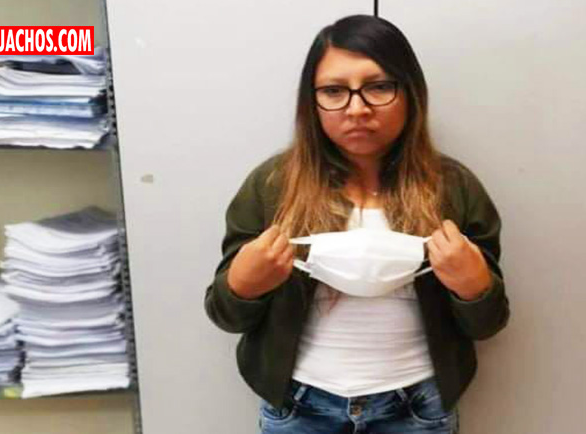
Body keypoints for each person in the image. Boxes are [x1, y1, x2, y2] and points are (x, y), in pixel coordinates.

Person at [205, 15, 510, 434]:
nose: (357, 109)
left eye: (379, 87)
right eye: (334, 91)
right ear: (311, 102)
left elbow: (489, 322)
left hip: (418, 410)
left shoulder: (452, 187)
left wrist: (473, 288)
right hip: (299, 410)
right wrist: (244, 285)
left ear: (410, 92)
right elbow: (225, 314)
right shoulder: (273, 186)